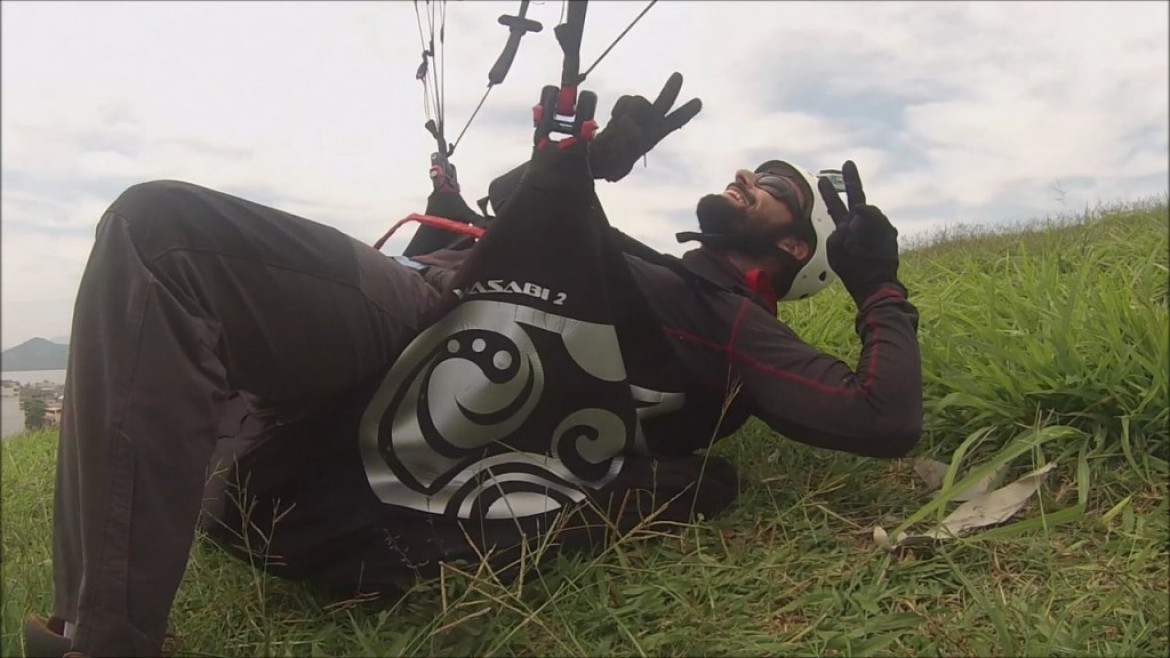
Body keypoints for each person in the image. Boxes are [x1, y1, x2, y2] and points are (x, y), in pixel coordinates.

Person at [22, 73, 922, 658]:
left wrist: (875, 287)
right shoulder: (659, 268)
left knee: (161, 238)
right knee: (159, 265)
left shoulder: (731, 320)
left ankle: (102, 642)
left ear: (794, 246)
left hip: (433, 331)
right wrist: (587, 163)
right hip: (426, 317)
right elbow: (520, 217)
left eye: (773, 187)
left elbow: (881, 418)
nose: (745, 177)